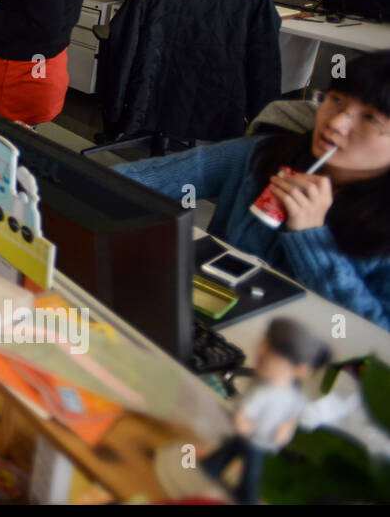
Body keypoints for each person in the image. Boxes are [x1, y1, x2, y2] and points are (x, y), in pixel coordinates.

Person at [111, 51, 390, 329]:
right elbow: (138, 180)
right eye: (336, 101)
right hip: (208, 321)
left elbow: (377, 334)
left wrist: (312, 238)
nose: (335, 123)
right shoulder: (264, 153)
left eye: (370, 118)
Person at [201, 318, 328, 504]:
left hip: (260, 439)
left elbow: (293, 415)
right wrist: (242, 424)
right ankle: (212, 471)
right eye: (263, 343)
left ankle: (243, 495)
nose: (259, 350)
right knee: (236, 456)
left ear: (300, 370)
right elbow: (243, 413)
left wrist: (286, 428)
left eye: (269, 351)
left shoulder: (294, 395)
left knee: (248, 468)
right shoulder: (261, 390)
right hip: (253, 435)